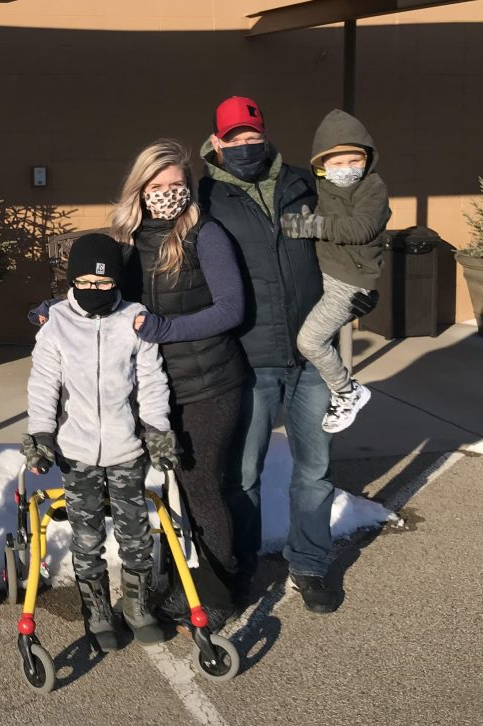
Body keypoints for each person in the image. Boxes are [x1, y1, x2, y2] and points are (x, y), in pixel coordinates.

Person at [199, 96, 341, 613]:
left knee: (315, 469)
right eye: (234, 137)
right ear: (216, 143)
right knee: (242, 474)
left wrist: (358, 289)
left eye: (252, 135)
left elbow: (345, 244)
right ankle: (243, 565)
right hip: (248, 358)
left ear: (266, 133)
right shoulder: (205, 198)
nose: (245, 145)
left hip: (313, 355)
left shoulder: (304, 186)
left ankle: (310, 563)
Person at [111, 139, 249, 629]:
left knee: (200, 488)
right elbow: (100, 298)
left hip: (210, 385)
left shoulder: (204, 235)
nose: (169, 194)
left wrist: (168, 329)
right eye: (158, 186)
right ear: (140, 188)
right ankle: (173, 582)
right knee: (166, 493)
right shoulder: (125, 241)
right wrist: (56, 311)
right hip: (154, 390)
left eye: (178, 186)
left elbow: (232, 308)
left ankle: (217, 591)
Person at [22, 233, 178, 651]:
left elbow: (151, 379)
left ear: (117, 283)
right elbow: (44, 384)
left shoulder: (134, 320)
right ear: (72, 280)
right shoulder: (56, 323)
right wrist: (41, 433)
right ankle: (96, 610)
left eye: (104, 283)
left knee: (135, 534)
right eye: (85, 282)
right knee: (86, 535)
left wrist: (158, 430)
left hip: (127, 450)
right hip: (77, 452)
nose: (94, 290)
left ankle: (137, 605)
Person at [280, 109, 389, 433]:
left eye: (353, 160)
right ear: (322, 164)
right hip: (328, 274)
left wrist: (312, 225)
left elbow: (361, 229)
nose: (346, 169)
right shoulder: (322, 187)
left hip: (350, 281)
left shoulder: (373, 188)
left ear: (367, 158)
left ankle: (347, 392)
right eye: (337, 162)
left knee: (311, 341)